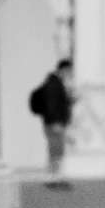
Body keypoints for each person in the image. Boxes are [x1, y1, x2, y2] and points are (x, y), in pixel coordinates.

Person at [30, 59, 75, 189]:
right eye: (70, 71)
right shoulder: (54, 84)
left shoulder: (55, 83)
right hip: (54, 123)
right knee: (56, 152)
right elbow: (52, 105)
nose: (71, 74)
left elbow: (57, 103)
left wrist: (69, 100)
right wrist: (56, 122)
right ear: (64, 70)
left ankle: (54, 178)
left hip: (53, 122)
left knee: (55, 152)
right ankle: (53, 179)